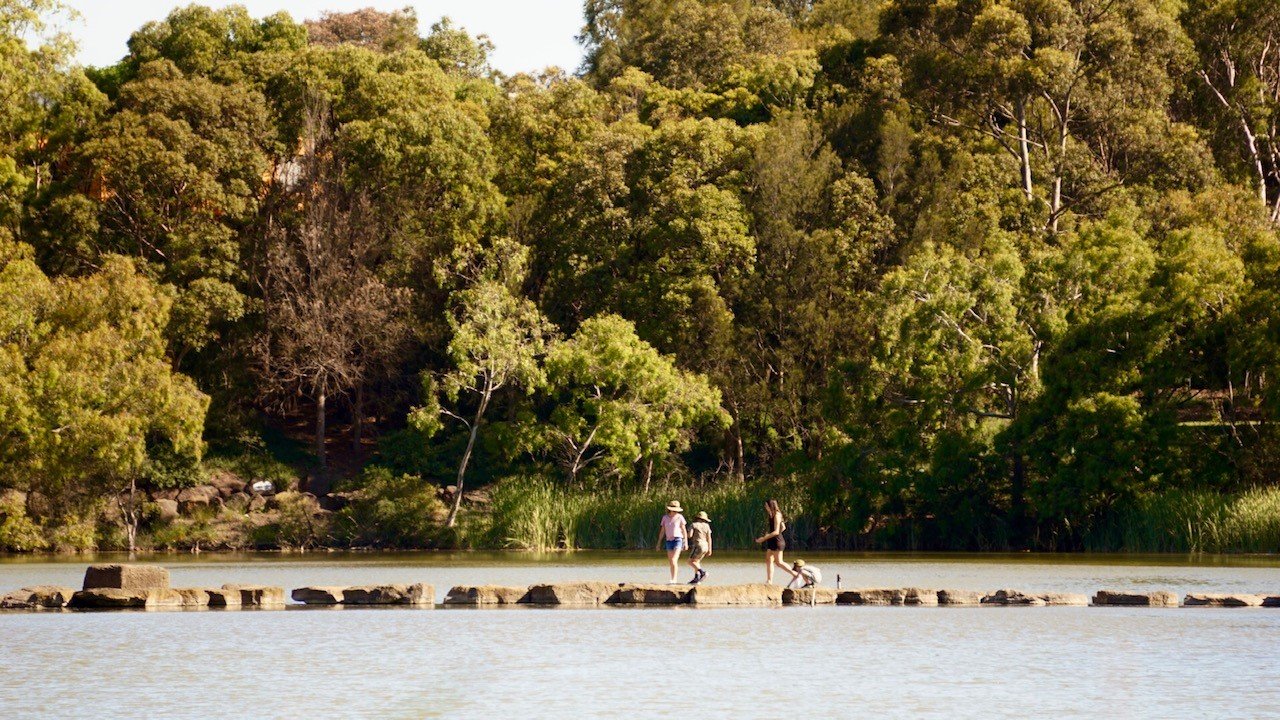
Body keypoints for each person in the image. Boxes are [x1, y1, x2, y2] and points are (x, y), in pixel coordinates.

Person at [754, 499, 796, 585]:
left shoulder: (777, 515)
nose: (765, 507)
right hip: (772, 541)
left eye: (766, 505)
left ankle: (795, 574)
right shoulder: (771, 514)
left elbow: (777, 531)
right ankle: (769, 581)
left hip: (777, 541)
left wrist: (764, 538)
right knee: (768, 559)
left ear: (771, 506)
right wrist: (769, 535)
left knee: (779, 562)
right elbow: (783, 527)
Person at [657, 500, 687, 584]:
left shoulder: (680, 517)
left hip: (678, 539)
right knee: (671, 562)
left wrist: (686, 542)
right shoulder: (665, 518)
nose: (675, 512)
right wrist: (659, 543)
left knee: (674, 559)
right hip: (669, 541)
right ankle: (673, 579)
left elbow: (684, 530)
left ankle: (674, 579)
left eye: (676, 510)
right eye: (674, 510)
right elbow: (662, 531)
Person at [686, 511, 713, 584]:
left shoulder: (694, 525)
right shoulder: (707, 526)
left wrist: (685, 533)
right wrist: (710, 549)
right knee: (696, 562)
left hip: (698, 545)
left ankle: (702, 572)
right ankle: (696, 578)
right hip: (706, 546)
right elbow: (709, 538)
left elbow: (689, 535)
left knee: (689, 561)